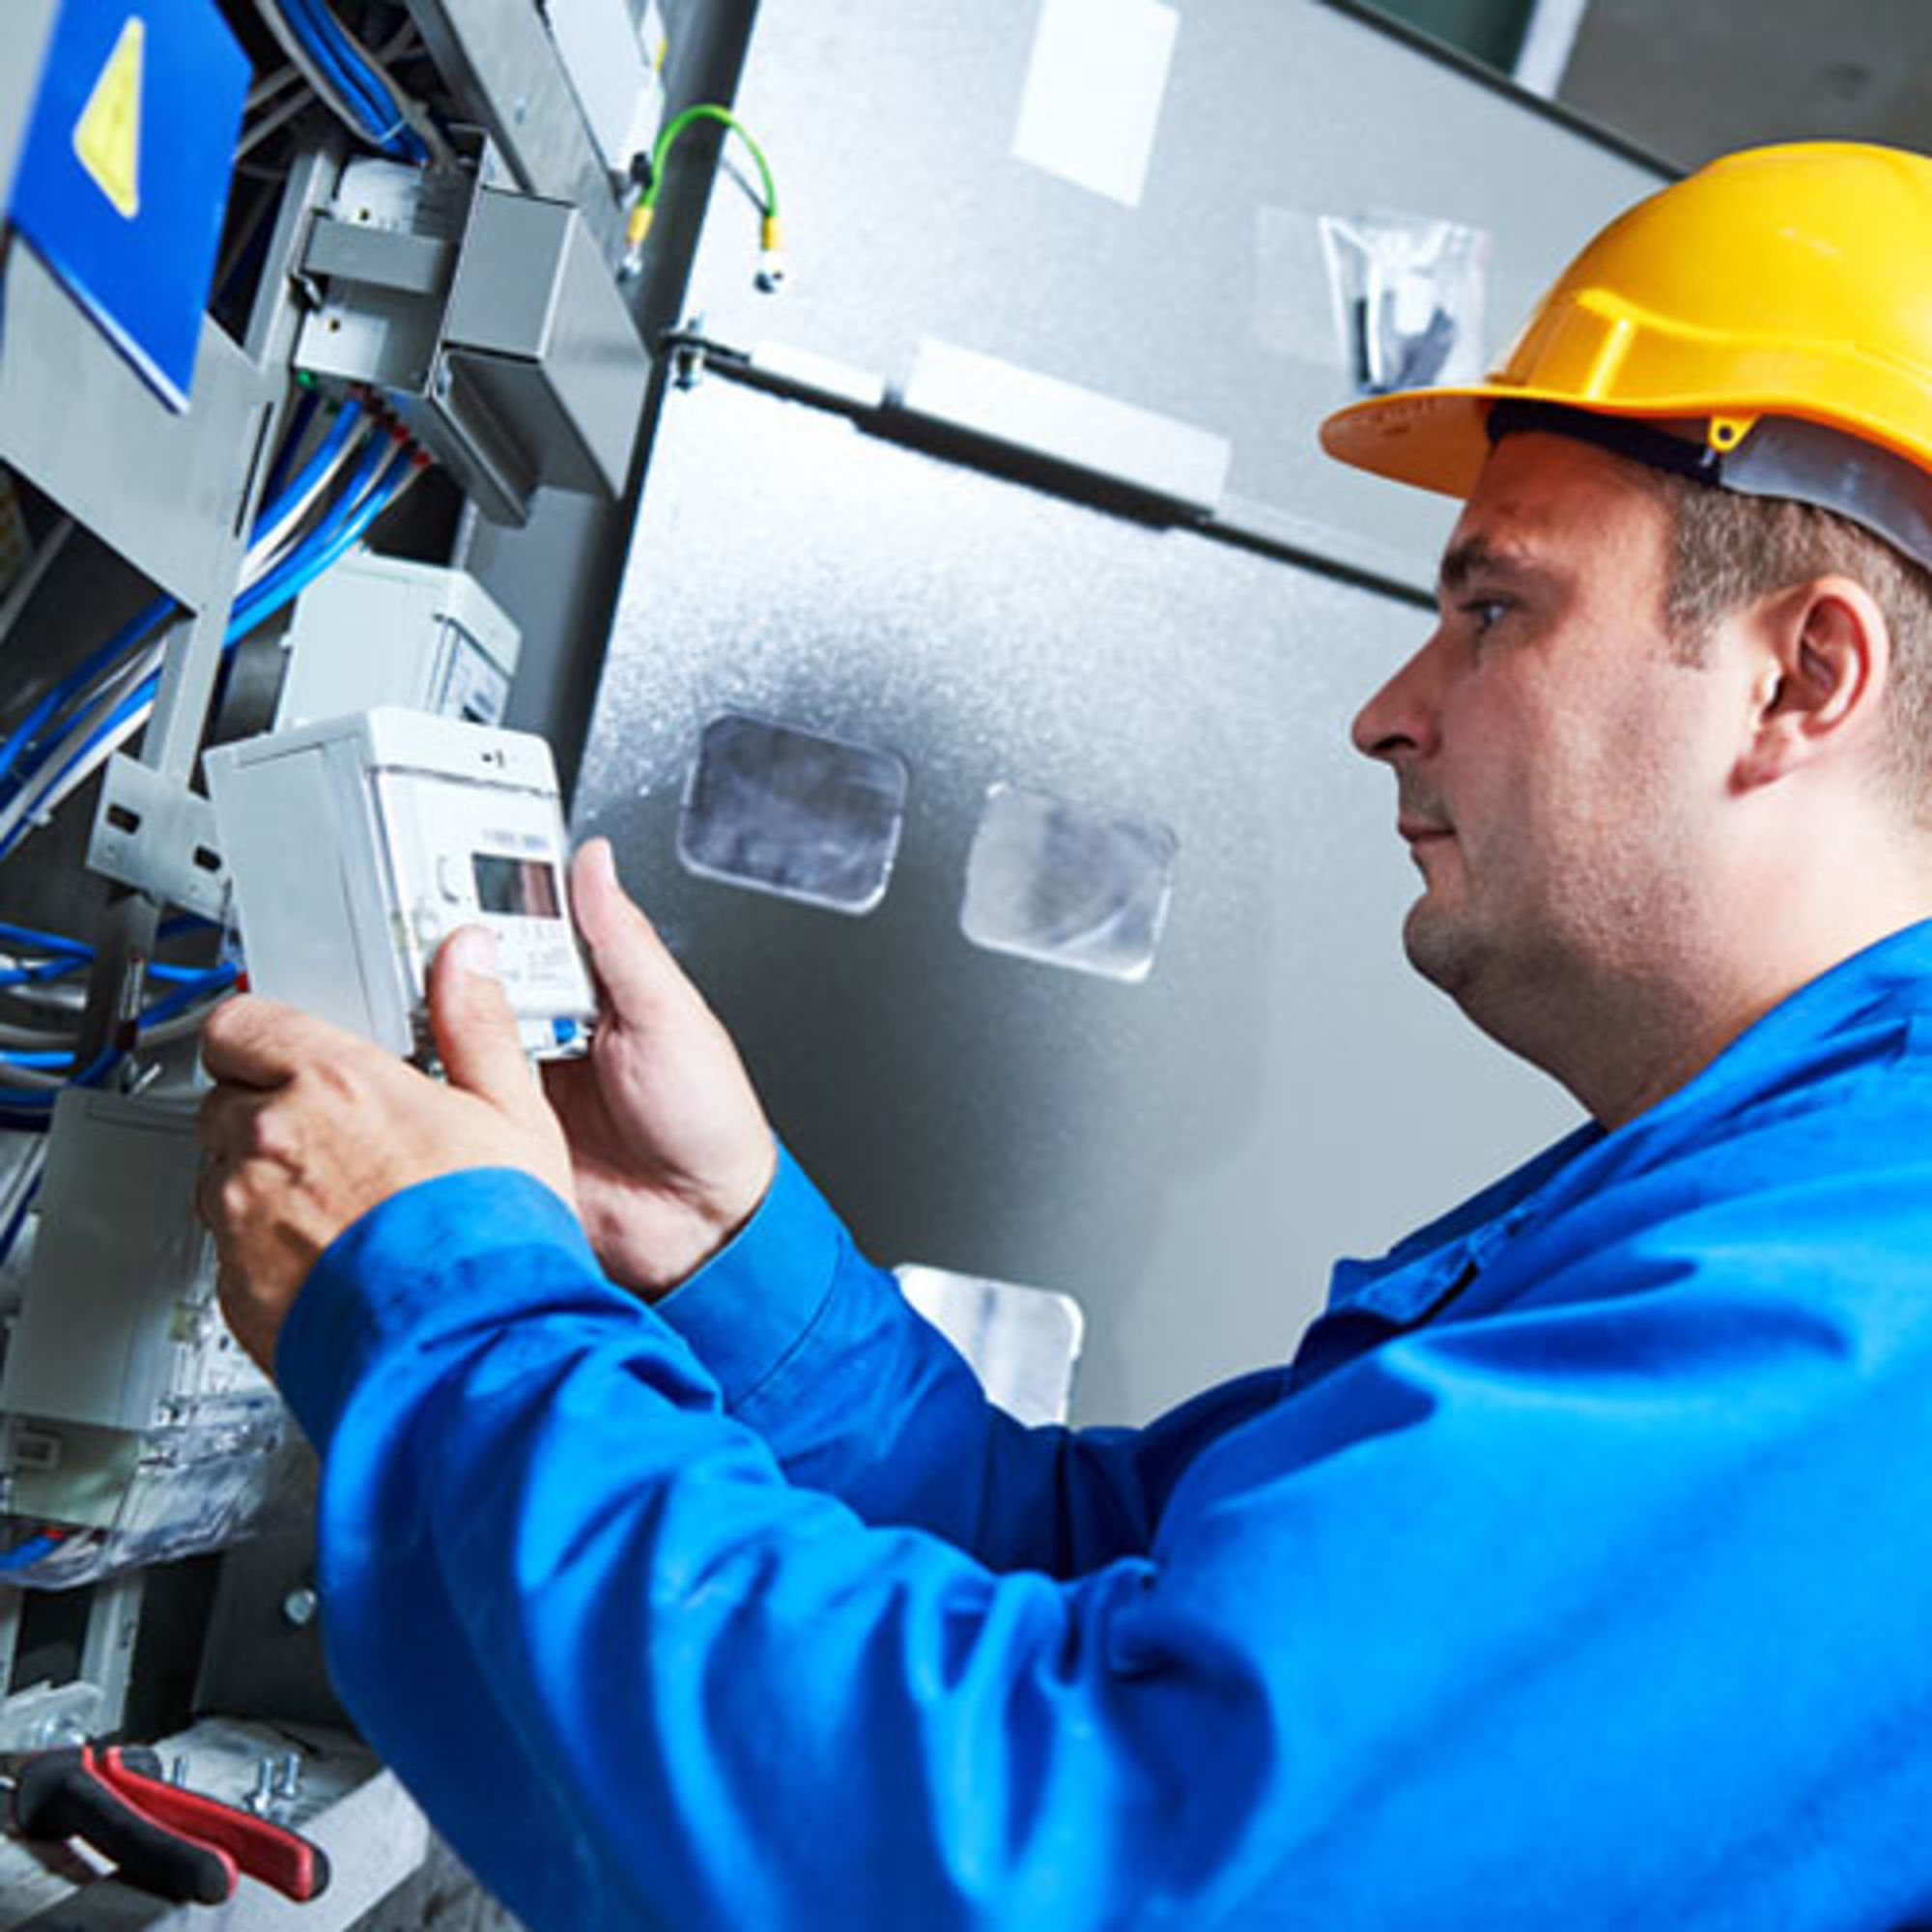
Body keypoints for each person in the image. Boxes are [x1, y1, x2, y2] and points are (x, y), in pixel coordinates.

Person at [199, 141, 1932, 1928]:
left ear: (1802, 677)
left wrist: (441, 1299)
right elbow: (1102, 1577)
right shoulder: (1753, 1191)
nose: (1387, 713)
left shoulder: (1862, 1302)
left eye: (1494, 608)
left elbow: (1077, 1858)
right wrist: (721, 1248)